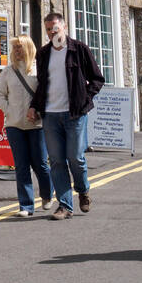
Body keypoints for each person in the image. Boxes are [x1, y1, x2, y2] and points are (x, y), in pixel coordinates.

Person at [28, 12, 104, 219]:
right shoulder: (43, 54)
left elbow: (97, 79)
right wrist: (34, 106)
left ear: (64, 27)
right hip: (51, 115)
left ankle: (83, 189)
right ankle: (64, 206)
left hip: (75, 115)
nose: (52, 32)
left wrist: (84, 100)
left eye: (55, 28)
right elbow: (42, 85)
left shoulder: (79, 49)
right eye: (48, 29)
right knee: (57, 161)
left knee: (75, 158)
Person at [0, 34, 53, 216]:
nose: (17, 51)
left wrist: (39, 112)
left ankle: (47, 194)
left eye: (20, 47)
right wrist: (9, 110)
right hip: (14, 125)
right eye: (15, 47)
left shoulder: (38, 70)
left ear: (28, 48)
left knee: (41, 164)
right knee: (21, 166)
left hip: (36, 125)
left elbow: (46, 94)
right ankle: (26, 206)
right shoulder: (8, 71)